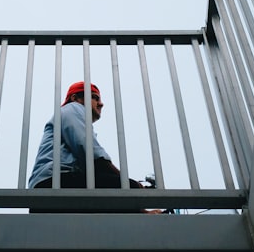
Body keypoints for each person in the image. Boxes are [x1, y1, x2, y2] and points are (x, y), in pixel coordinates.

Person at [27, 81, 161, 213]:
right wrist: (129, 183)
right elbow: (92, 153)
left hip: (54, 185)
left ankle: (142, 213)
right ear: (75, 98)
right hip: (53, 183)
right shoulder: (72, 108)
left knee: (120, 190)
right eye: (94, 97)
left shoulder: (69, 117)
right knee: (127, 188)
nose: (101, 104)